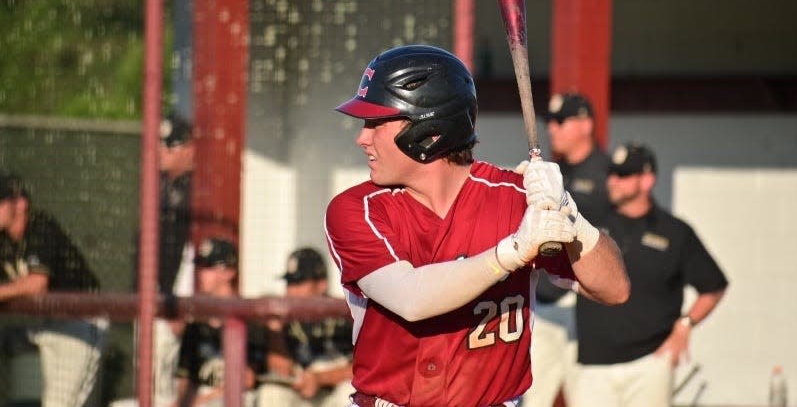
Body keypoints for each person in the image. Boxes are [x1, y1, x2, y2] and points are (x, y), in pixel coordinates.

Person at [324, 44, 630, 407]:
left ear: (429, 132)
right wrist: (512, 252)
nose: (362, 138)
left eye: (377, 123)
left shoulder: (514, 199)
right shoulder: (357, 209)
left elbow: (616, 289)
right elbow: (411, 299)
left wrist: (571, 216)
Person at [574, 143, 728, 407]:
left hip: (650, 362)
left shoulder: (675, 232)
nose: (613, 181)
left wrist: (685, 326)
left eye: (623, 175)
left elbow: (713, 286)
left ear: (647, 180)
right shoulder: (590, 224)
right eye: (611, 173)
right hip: (592, 365)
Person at [522, 92, 613, 407]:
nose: (553, 129)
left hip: (587, 307)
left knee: (589, 399)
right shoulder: (555, 172)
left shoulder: (609, 174)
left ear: (585, 124)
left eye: (561, 122)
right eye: (550, 123)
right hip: (547, 303)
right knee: (531, 398)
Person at [0, 171, 107, 407]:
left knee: (60, 403)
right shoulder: (4, 240)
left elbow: (37, 283)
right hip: (49, 324)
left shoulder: (40, 226)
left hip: (81, 320)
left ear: (20, 203)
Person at [174, 237, 268, 407]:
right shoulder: (196, 322)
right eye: (201, 266)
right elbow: (184, 379)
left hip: (238, 398)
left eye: (208, 266)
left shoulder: (250, 318)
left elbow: (247, 380)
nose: (201, 273)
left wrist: (200, 401)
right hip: (199, 397)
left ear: (229, 272)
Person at [257, 247, 354, 407]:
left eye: (299, 282)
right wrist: (276, 331)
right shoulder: (284, 319)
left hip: (336, 392)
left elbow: (364, 369)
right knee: (271, 392)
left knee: (351, 392)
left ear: (322, 284)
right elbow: (281, 370)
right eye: (289, 282)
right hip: (302, 395)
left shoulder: (345, 313)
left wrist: (320, 378)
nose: (291, 290)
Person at [152, 112, 196, 404]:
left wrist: (181, 301)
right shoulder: (160, 186)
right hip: (155, 296)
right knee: (152, 380)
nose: (162, 152)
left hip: (177, 302)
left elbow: (193, 249)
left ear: (190, 148)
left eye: (171, 145)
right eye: (161, 145)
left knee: (168, 384)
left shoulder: (198, 188)